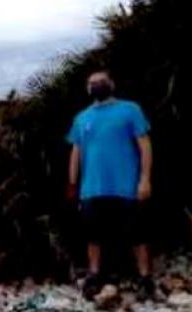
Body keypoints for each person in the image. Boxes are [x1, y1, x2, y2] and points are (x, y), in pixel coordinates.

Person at [66, 71, 154, 298]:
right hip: (92, 188)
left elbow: (144, 145)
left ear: (111, 84)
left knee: (137, 233)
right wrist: (72, 183)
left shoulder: (130, 110)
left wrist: (145, 179)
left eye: (101, 82)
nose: (96, 86)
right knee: (93, 235)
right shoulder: (82, 118)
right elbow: (76, 152)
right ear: (87, 88)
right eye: (92, 83)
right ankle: (95, 274)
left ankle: (145, 277)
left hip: (126, 185)